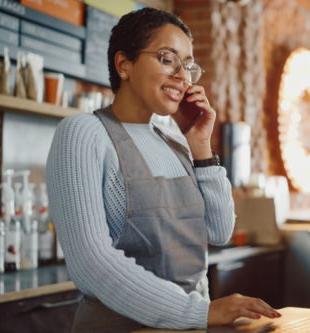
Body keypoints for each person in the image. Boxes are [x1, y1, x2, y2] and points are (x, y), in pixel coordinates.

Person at [46, 8, 280, 332]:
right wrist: (197, 312)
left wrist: (201, 147)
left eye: (187, 66)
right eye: (168, 59)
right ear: (123, 64)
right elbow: (91, 264)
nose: (183, 77)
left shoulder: (176, 140)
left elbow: (219, 231)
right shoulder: (83, 132)